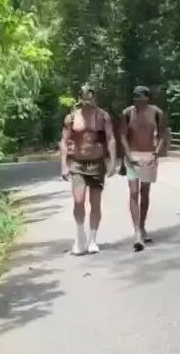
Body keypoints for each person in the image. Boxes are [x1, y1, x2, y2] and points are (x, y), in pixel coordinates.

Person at [60, 86, 117, 255]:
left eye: (90, 98)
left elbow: (111, 139)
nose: (87, 101)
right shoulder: (71, 118)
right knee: (78, 200)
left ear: (95, 98)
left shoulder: (102, 116)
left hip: (97, 164)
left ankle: (92, 239)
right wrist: (64, 164)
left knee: (95, 203)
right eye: (84, 98)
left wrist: (113, 162)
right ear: (80, 98)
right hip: (78, 163)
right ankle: (79, 238)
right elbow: (63, 141)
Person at [120, 85, 168, 251]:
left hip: (149, 156)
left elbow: (162, 134)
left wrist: (156, 153)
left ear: (147, 98)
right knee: (133, 192)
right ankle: (137, 233)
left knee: (144, 191)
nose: (137, 100)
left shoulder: (156, 113)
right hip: (132, 156)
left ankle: (142, 225)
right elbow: (123, 136)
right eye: (135, 97)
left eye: (140, 97)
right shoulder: (127, 113)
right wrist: (128, 155)